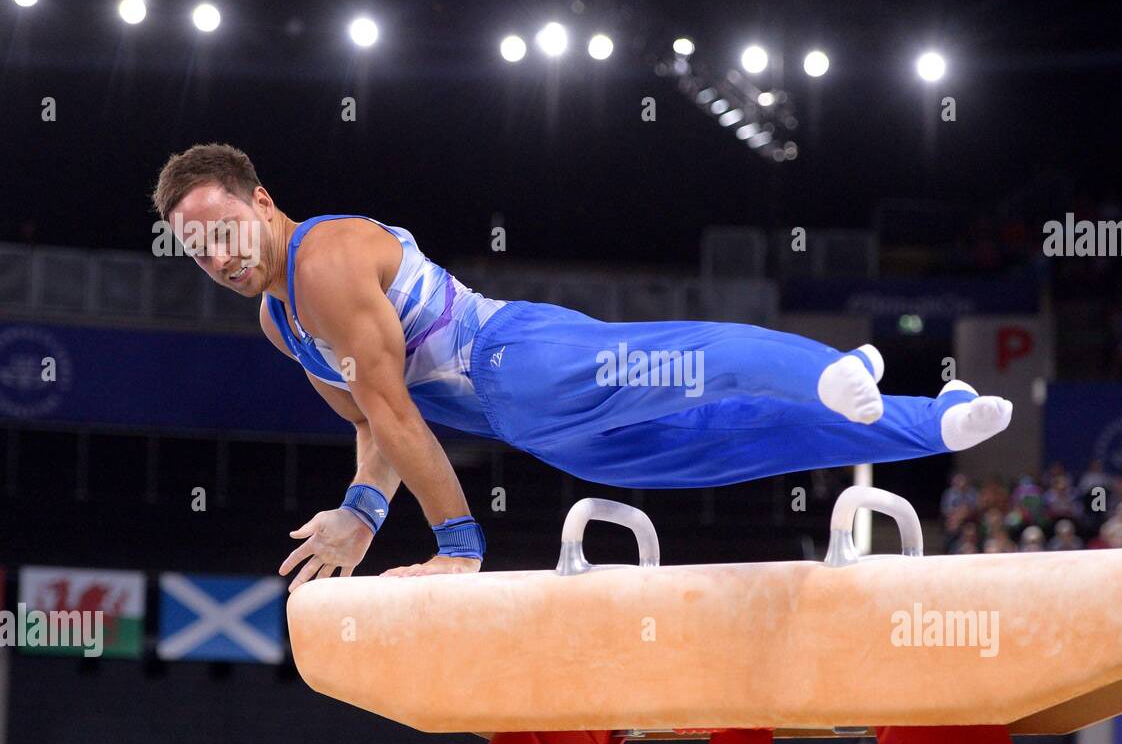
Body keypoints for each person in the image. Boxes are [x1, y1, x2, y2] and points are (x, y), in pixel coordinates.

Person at [153, 143, 1014, 587]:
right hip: (533, 429)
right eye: (198, 251)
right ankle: (932, 420)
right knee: (719, 445)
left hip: (516, 360)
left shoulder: (325, 261)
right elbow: (375, 427)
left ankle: (828, 364)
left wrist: (458, 545)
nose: (220, 257)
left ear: (260, 202)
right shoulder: (281, 320)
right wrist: (360, 514)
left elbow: (402, 416)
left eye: (225, 231)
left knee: (686, 367)